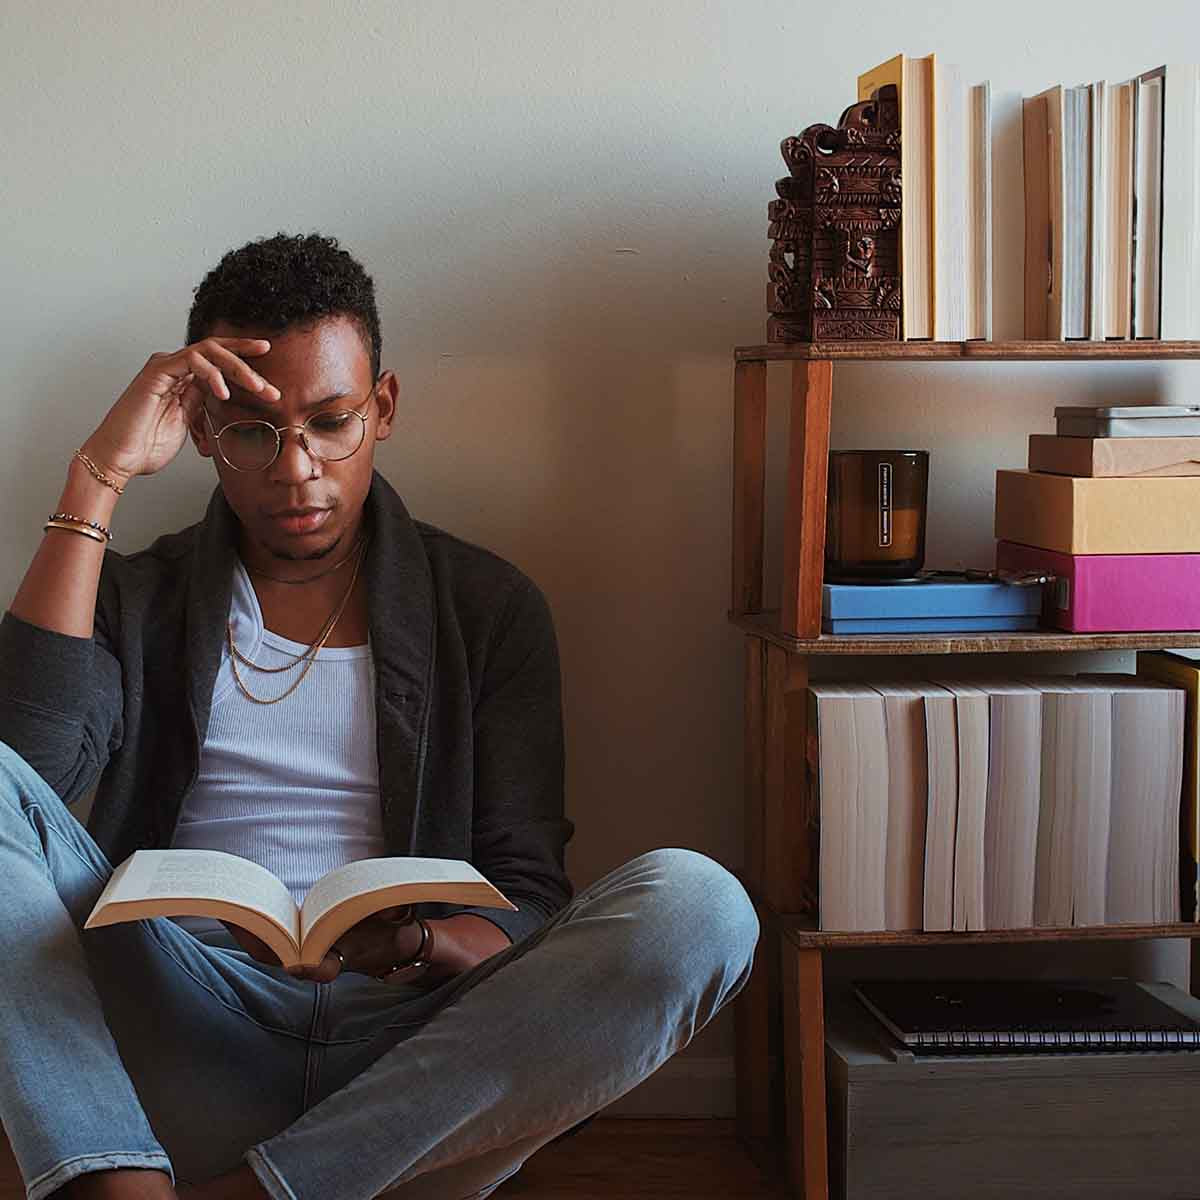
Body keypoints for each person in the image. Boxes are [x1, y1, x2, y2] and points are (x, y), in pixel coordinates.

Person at [0, 232, 759, 1200]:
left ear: (384, 408)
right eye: (251, 430)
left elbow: (527, 896)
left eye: (330, 422)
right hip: (181, 1024)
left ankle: (275, 1187)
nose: (295, 469)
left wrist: (416, 941)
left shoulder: (484, 606)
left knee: (702, 905)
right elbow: (27, 786)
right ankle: (119, 1182)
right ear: (199, 431)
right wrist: (95, 480)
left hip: (410, 1055)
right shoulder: (134, 600)